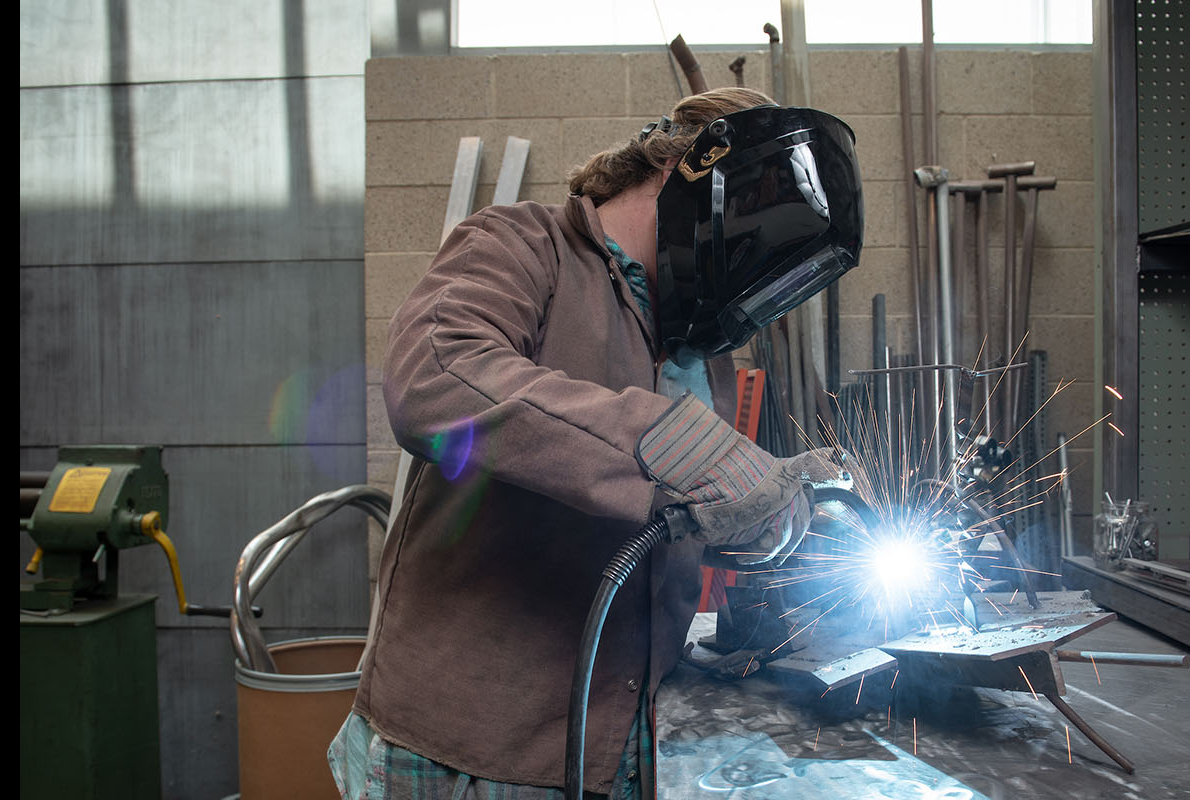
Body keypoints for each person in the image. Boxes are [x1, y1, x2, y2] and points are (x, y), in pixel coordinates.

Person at [329, 87, 864, 799]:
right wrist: (672, 447)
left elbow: (674, 513)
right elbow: (435, 376)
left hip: (626, 744)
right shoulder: (522, 246)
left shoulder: (700, 350)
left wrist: (769, 520)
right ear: (685, 170)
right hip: (472, 752)